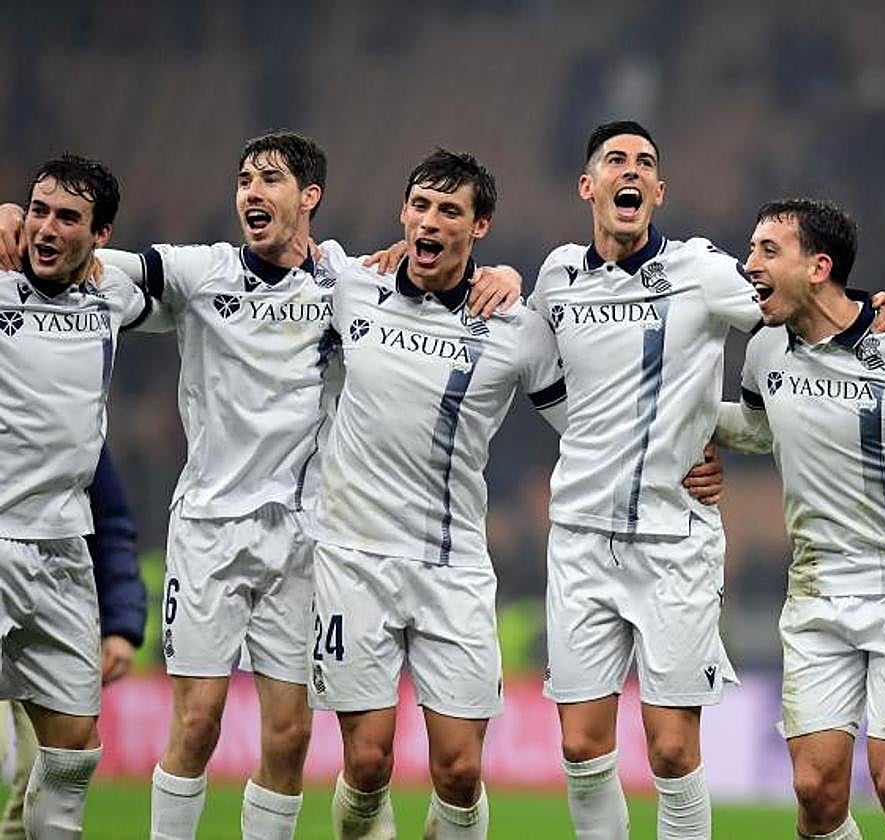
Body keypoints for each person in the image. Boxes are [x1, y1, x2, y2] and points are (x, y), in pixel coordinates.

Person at [0, 131, 519, 840]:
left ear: (308, 198)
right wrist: (14, 217)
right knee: (199, 720)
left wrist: (506, 275)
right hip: (209, 530)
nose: (251, 191)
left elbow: (434, 284)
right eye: (244, 178)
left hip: (305, 538)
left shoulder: (345, 279)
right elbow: (74, 256)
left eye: (269, 179)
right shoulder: (197, 272)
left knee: (288, 738)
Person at [312, 148, 723, 840]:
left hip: (455, 568)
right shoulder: (352, 284)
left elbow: (590, 420)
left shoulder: (518, 327)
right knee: (369, 761)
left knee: (459, 773)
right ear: (402, 215)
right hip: (353, 557)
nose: (430, 221)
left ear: (481, 226)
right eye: (421, 206)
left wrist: (689, 455)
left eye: (450, 210)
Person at [529, 122, 885, 839]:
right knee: (582, 747)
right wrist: (596, 439)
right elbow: (538, 373)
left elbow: (803, 307)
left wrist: (878, 307)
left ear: (658, 191)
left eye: (646, 163)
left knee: (673, 748)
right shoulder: (556, 276)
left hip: (674, 542)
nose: (633, 171)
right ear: (588, 186)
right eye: (616, 160)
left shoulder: (702, 270)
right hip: (581, 538)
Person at [712, 199, 885, 840]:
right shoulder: (763, 351)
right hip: (816, 590)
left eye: (766, 251)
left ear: (819, 266)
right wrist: (694, 427)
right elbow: (759, 430)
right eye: (751, 249)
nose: (748, 263)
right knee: (815, 791)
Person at [0, 154, 154, 839]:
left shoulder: (112, 292)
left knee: (73, 749)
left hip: (64, 551)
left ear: (101, 236)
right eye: (37, 210)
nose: (46, 228)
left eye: (68, 217)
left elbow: (216, 281)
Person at [0, 444, 148, 839]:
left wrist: (122, 621)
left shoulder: (68, 420)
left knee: (47, 764)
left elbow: (110, 518)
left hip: (48, 596)